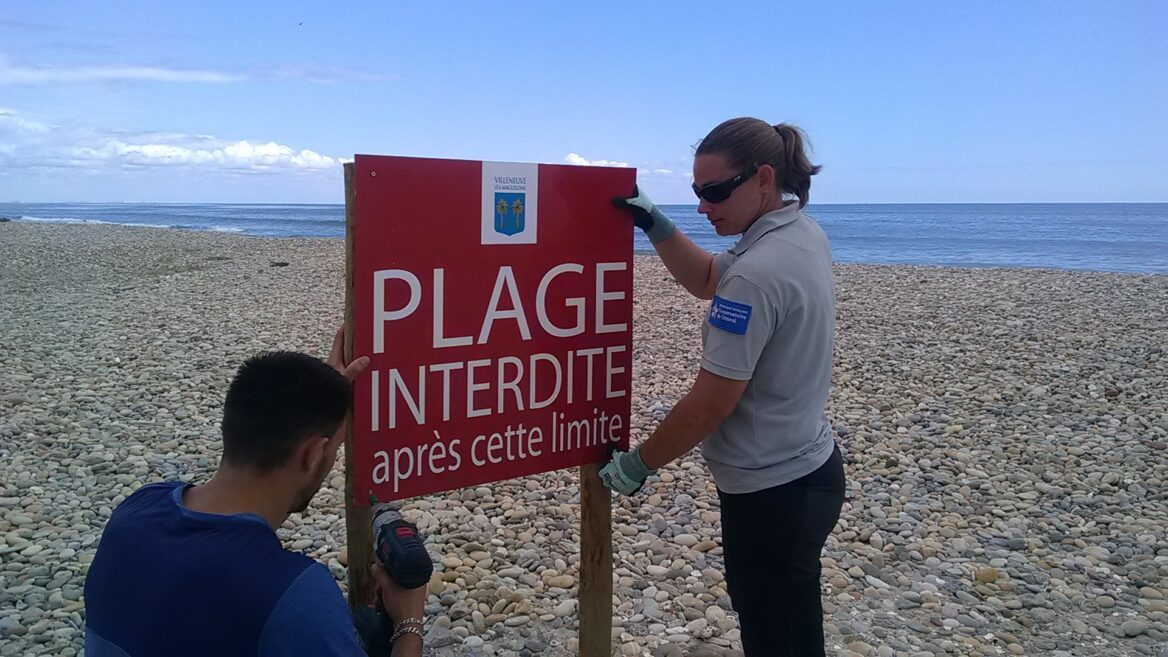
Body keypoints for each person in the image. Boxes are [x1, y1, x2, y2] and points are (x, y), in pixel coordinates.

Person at [601, 118, 846, 656]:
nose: (704, 206)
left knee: (774, 635)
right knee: (792, 622)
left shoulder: (756, 275)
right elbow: (708, 278)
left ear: (762, 177)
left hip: (772, 492)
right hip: (810, 471)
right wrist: (655, 224)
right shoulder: (796, 232)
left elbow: (713, 401)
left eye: (714, 192)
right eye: (696, 192)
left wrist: (638, 463)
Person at [84, 329, 426, 657]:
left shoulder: (136, 511)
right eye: (335, 449)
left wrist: (323, 398)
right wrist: (409, 621)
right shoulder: (292, 595)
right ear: (312, 455)